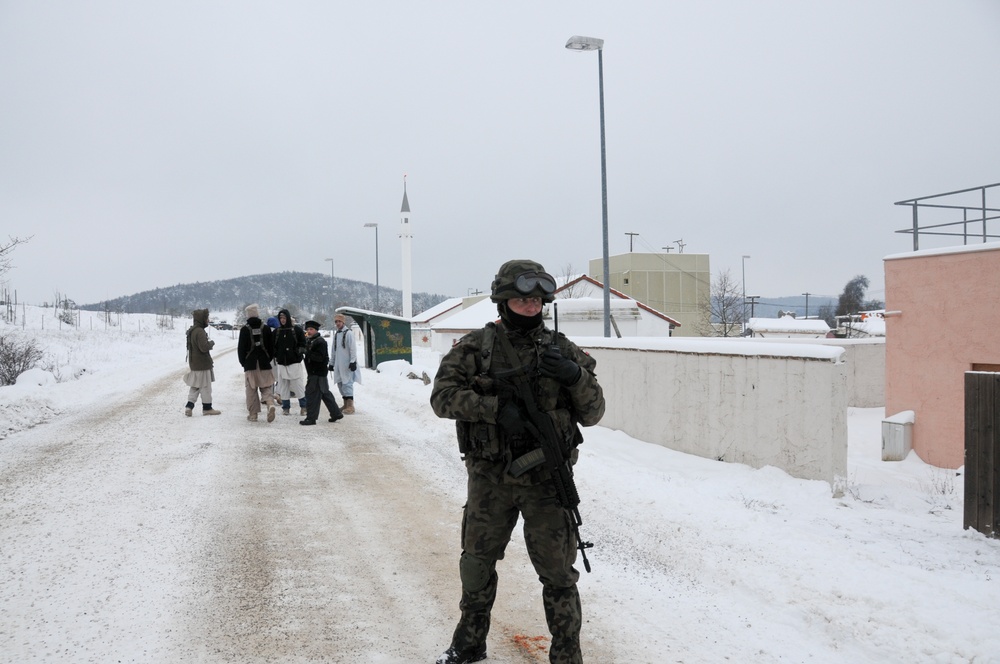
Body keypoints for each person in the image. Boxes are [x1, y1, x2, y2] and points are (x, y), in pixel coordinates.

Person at [429, 259, 606, 664]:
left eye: (536, 300)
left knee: (559, 575)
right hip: (491, 479)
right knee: (476, 565)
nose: (530, 307)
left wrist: (575, 377)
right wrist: (493, 408)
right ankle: (468, 643)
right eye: (521, 299)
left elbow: (594, 413)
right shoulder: (475, 348)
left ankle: (566, 655)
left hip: (547, 482)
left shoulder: (563, 351)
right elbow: (442, 399)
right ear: (503, 300)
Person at [299, 320, 345, 426]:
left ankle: (311, 418)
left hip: (317, 373)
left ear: (316, 330)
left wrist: (307, 352)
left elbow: (319, 358)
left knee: (311, 394)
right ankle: (336, 413)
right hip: (317, 373)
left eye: (311, 329)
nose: (309, 331)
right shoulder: (310, 341)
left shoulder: (320, 342)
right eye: (308, 329)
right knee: (325, 393)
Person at [237, 303, 276, 423]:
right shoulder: (266, 328)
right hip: (264, 362)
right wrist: (267, 358)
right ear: (257, 314)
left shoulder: (244, 329)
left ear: (248, 316)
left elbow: (241, 349)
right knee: (266, 386)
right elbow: (271, 347)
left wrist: (244, 363)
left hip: (250, 364)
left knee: (251, 389)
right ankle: (269, 403)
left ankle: (253, 414)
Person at [183, 308, 221, 416]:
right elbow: (204, 347)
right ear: (202, 318)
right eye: (206, 318)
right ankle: (207, 408)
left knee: (195, 386)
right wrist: (211, 343)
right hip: (202, 364)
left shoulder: (192, 330)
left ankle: (189, 406)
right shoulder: (199, 331)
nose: (208, 320)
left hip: (194, 363)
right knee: (206, 387)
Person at [272, 308, 309, 416]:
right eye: (280, 318)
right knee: (283, 387)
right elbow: (272, 346)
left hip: (294, 363)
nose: (282, 320)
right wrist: (276, 354)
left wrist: (297, 353)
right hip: (281, 363)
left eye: (284, 317)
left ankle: (303, 406)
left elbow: (303, 343)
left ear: (288, 318)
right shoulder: (276, 332)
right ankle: (286, 407)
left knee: (298, 386)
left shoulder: (296, 330)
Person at [329, 312, 359, 414]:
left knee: (347, 383)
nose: (337, 323)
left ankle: (350, 405)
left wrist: (353, 361)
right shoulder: (337, 334)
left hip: (347, 364)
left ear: (343, 322)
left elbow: (352, 349)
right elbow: (334, 350)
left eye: (339, 321)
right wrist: (332, 363)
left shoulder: (349, 333)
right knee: (340, 383)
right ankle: (345, 403)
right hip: (338, 364)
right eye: (336, 321)